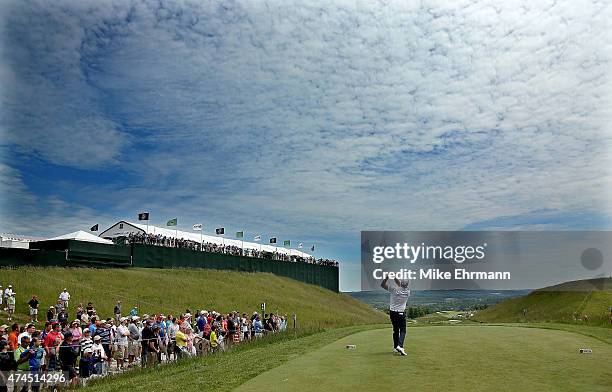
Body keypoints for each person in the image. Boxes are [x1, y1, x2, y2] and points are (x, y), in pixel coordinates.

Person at [381, 277, 410, 356]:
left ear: (401, 283)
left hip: (392, 313)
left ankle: (395, 347)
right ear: (407, 284)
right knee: (403, 330)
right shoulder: (407, 292)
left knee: (395, 330)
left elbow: (382, 285)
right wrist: (395, 277)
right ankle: (400, 346)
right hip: (401, 313)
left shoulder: (394, 289)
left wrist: (387, 277)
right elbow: (400, 284)